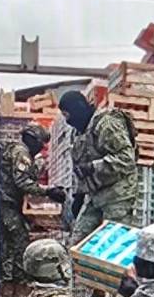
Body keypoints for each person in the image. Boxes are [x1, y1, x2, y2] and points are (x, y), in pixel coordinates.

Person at [0, 124, 66, 297]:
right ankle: (18, 294)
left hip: (7, 205)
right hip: (8, 205)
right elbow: (22, 182)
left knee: (8, 248)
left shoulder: (19, 152)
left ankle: (6, 292)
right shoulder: (21, 153)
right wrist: (48, 191)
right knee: (20, 244)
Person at [58, 91, 138, 247]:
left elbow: (127, 159)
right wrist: (79, 197)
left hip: (117, 196)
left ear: (78, 109)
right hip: (95, 196)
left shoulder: (106, 123)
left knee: (112, 247)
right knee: (77, 245)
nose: (67, 121)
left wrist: (93, 167)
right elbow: (80, 166)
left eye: (68, 115)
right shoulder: (78, 133)